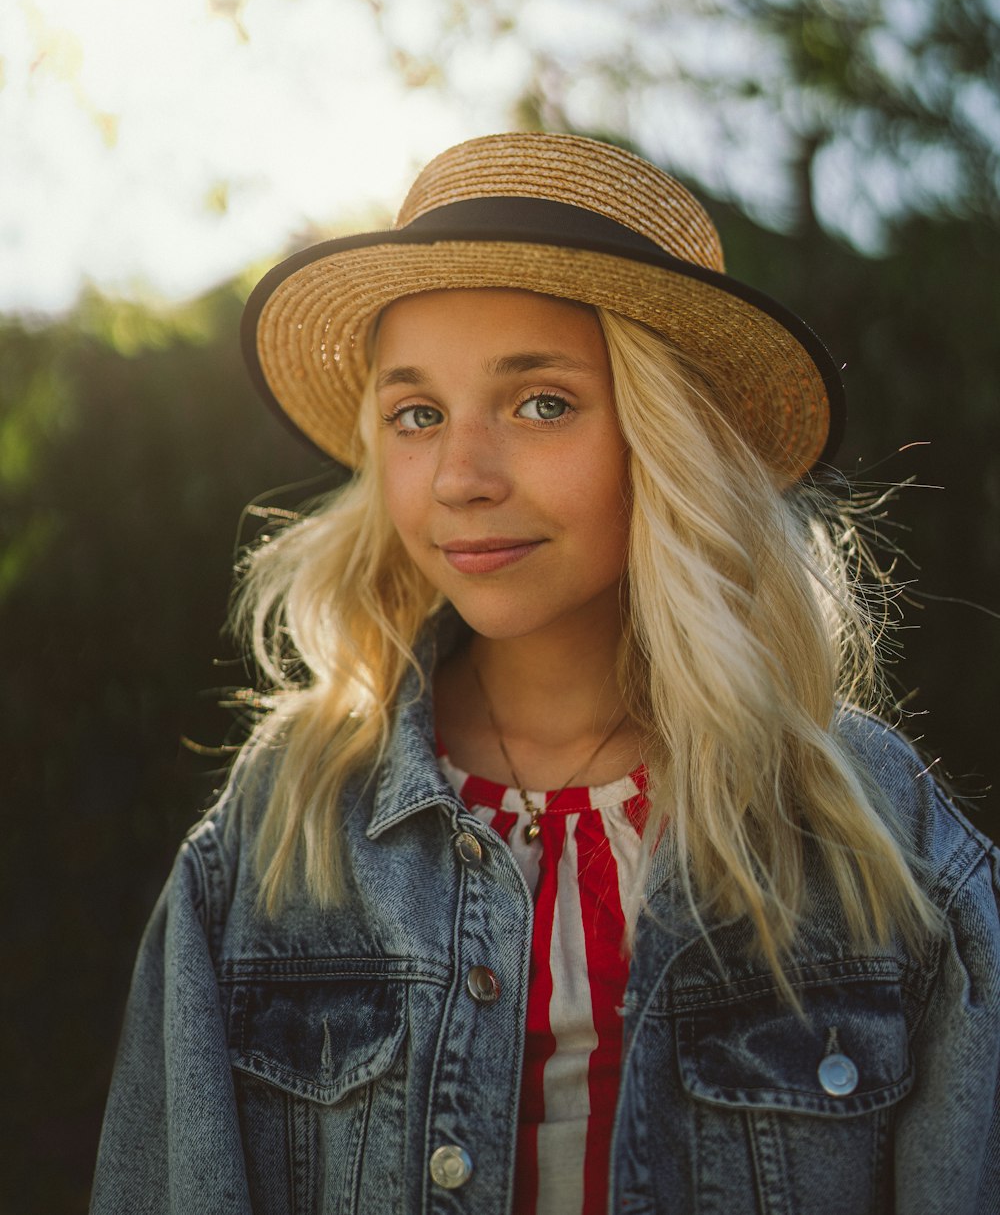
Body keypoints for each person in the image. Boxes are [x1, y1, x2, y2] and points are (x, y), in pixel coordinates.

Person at [91, 132, 999, 1215]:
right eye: (416, 414)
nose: (462, 477)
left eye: (540, 402)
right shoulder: (282, 820)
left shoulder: (876, 831)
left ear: (667, 440)